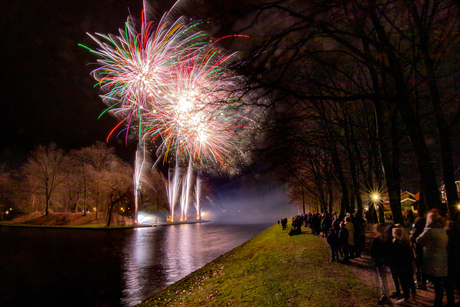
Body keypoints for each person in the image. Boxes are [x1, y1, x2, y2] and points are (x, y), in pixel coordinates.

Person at [416, 211, 454, 307]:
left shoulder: (429, 230)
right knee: (446, 281)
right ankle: (451, 301)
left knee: (437, 284)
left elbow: (419, 240)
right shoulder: (443, 229)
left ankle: (438, 302)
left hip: (432, 259)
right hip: (443, 257)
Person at [391, 226, 416, 305]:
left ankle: (406, 297)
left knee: (403, 281)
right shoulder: (407, 242)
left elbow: (394, 255)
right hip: (408, 264)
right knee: (409, 279)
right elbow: (411, 254)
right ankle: (412, 294)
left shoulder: (396, 243)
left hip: (400, 265)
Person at [370, 224, 391, 305]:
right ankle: (385, 294)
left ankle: (385, 295)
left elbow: (372, 252)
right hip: (386, 262)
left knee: (382, 279)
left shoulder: (376, 240)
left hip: (379, 262)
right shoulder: (387, 239)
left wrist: (375, 258)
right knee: (384, 278)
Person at [410, 214, 427, 290]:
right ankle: (424, 281)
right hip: (425, 252)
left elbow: (413, 241)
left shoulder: (416, 233)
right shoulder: (425, 232)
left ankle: (419, 281)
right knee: (424, 268)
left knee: (418, 267)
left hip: (418, 252)